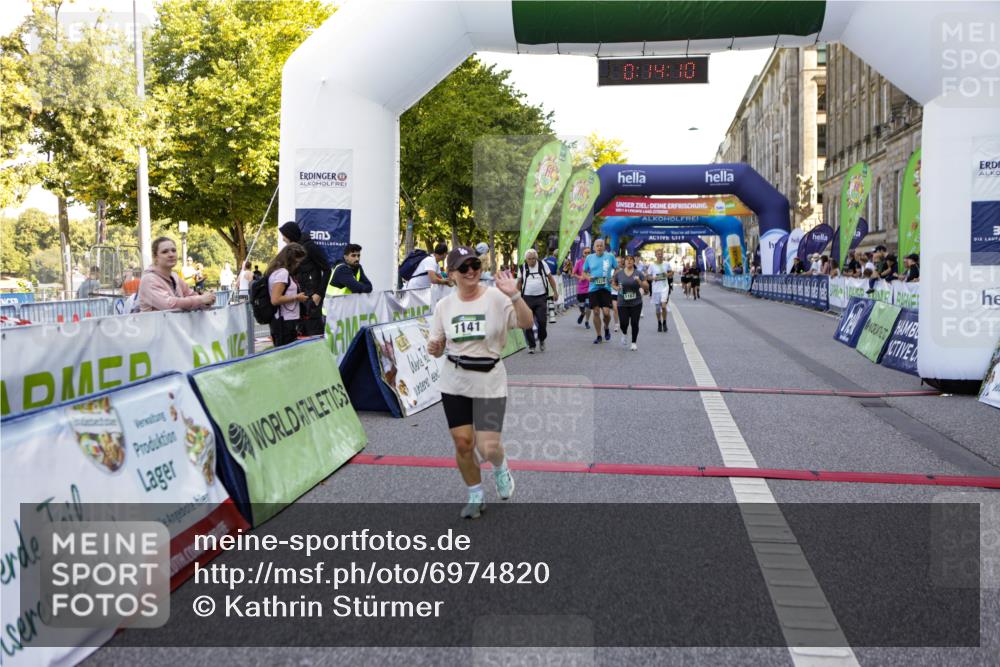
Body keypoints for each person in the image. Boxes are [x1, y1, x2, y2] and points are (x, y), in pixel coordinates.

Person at [426, 246, 533, 519]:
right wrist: (435, 348)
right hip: (455, 380)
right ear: (451, 274)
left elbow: (526, 322)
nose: (471, 271)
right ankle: (475, 495)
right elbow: (437, 346)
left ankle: (500, 466)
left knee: (488, 447)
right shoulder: (444, 306)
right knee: (463, 443)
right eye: (464, 267)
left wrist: (515, 295)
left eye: (475, 265)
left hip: (489, 379)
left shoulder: (496, 297)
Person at [278, 221, 332, 336]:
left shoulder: (311, 247)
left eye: (284, 236)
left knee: (314, 334)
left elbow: (327, 269)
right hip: (299, 300)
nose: (283, 239)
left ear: (290, 235)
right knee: (300, 336)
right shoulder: (291, 250)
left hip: (312, 299)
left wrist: (319, 294)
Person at [138, 237, 215, 312]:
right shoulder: (149, 280)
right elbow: (169, 305)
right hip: (155, 321)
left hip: (177, 321)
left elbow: (191, 295)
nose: (171, 254)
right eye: (165, 252)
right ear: (155, 257)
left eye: (174, 250)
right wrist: (200, 299)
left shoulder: (175, 276)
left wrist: (207, 300)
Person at [265, 243, 309, 347]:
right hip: (285, 321)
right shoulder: (283, 273)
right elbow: (275, 299)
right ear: (291, 260)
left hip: (283, 320)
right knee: (287, 352)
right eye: (297, 262)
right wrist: (296, 297)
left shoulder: (276, 271)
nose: (298, 265)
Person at [516, 248, 557, 354]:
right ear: (526, 259)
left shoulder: (542, 265)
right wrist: (516, 297)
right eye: (529, 259)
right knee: (527, 323)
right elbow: (519, 283)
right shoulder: (522, 267)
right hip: (527, 298)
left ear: (536, 258)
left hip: (541, 298)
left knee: (542, 321)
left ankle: (542, 339)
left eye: (534, 258)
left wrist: (555, 292)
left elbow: (550, 278)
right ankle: (532, 345)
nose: (532, 261)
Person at [582, 239, 618, 343]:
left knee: (606, 313)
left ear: (604, 247)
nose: (599, 247)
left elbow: (617, 268)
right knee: (596, 312)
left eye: (601, 245)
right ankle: (598, 335)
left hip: (606, 288)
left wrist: (613, 278)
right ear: (594, 248)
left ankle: (606, 327)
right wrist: (588, 278)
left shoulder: (610, 256)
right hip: (593, 289)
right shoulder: (589, 257)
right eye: (597, 246)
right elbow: (584, 272)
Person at [612, 255, 649, 351]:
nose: (629, 261)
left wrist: (639, 281)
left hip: (636, 302)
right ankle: (624, 333)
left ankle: (633, 343)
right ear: (624, 262)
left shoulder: (639, 273)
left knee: (634, 323)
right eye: (627, 260)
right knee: (623, 323)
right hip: (622, 302)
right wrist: (616, 288)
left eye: (631, 260)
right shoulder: (619, 274)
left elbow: (646, 286)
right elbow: (613, 283)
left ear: (633, 262)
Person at [647, 248, 673, 332]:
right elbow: (648, 276)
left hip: (665, 287)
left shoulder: (666, 264)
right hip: (655, 289)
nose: (660, 255)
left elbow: (671, 272)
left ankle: (664, 322)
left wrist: (668, 274)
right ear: (655, 255)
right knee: (658, 308)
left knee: (663, 306)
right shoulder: (652, 265)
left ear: (663, 255)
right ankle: (659, 323)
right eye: (658, 254)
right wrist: (653, 278)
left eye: (661, 254)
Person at [572, 247, 592, 329]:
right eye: (585, 252)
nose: (587, 254)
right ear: (583, 253)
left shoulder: (593, 262)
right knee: (581, 306)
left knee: (588, 305)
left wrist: (589, 276)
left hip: (590, 288)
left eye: (588, 252)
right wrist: (580, 277)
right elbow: (573, 273)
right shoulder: (579, 263)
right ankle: (582, 313)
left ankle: (587, 321)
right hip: (581, 288)